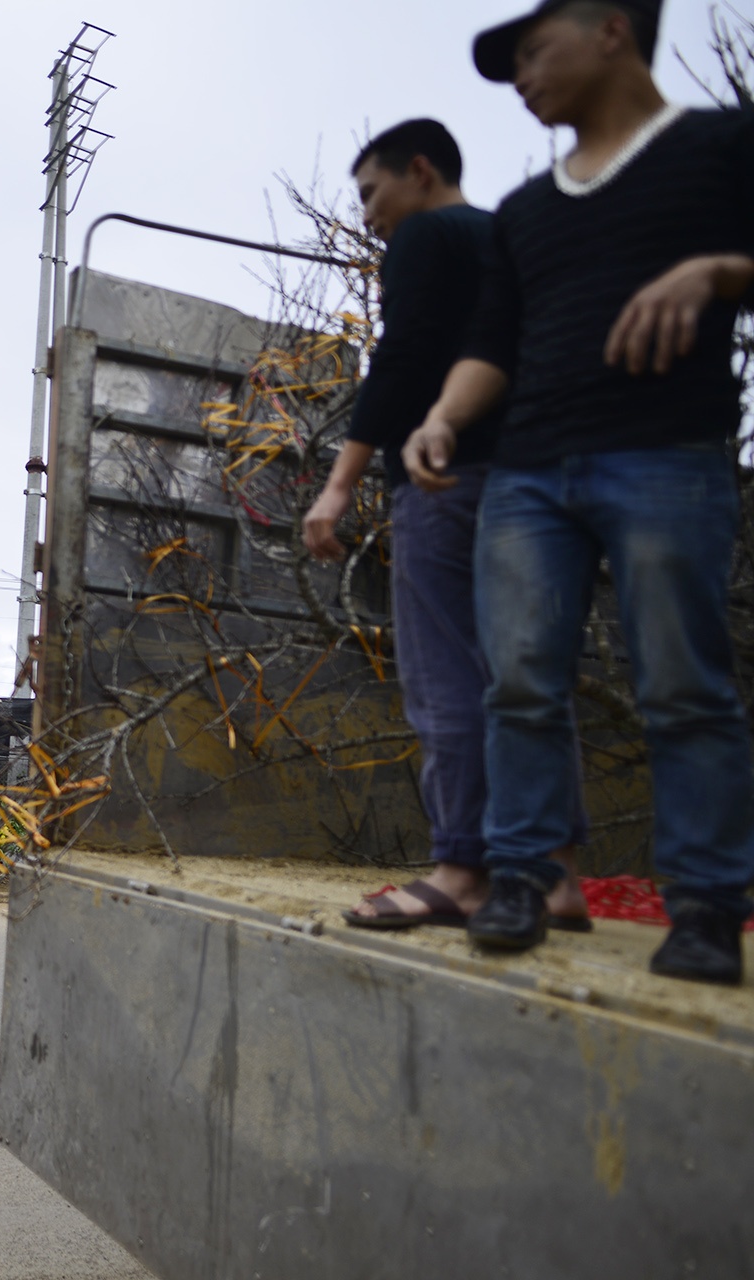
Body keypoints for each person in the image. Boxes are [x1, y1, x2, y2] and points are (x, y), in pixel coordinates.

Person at [402, 0, 754, 981]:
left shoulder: (724, 142)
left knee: (682, 680)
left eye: (531, 49)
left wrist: (718, 270)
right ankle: (522, 873)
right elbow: (493, 343)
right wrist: (442, 415)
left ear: (609, 26)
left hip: (668, 452)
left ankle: (707, 907)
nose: (519, 75)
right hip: (526, 470)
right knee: (517, 680)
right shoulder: (524, 211)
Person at [305, 118, 592, 932]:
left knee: (446, 679)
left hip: (446, 478)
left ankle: (462, 868)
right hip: (530, 479)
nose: (366, 215)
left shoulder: (428, 235)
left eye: (371, 192)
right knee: (527, 677)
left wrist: (339, 485)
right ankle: (556, 876)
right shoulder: (505, 236)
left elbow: (401, 356)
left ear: (420, 171)